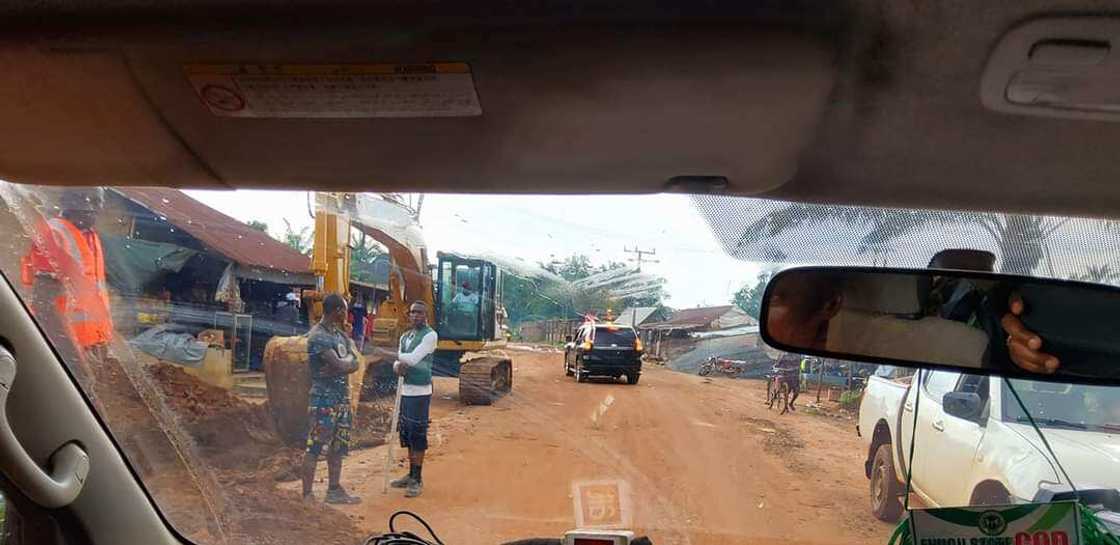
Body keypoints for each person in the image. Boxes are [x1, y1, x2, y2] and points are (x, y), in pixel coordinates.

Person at [20, 187, 114, 371]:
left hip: (89, 344)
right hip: (60, 348)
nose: (98, 208)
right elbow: (44, 305)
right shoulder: (55, 234)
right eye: (92, 201)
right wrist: (72, 358)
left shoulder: (89, 235)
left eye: (99, 202)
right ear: (72, 202)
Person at [301, 293, 362, 504]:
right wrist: (345, 364)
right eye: (345, 309)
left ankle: (334, 490)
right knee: (315, 446)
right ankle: (307, 495)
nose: (347, 313)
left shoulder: (338, 334)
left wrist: (345, 364)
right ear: (337, 311)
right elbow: (343, 365)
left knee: (338, 445)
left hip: (341, 399)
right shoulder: (318, 336)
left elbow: (355, 361)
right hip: (323, 401)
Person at [372, 301, 437, 498]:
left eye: (419, 312)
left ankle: (417, 479)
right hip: (405, 391)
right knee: (407, 435)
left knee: (417, 435)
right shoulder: (405, 336)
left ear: (425, 315)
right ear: (408, 315)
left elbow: (412, 359)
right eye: (412, 312)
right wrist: (395, 366)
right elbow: (400, 363)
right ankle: (410, 474)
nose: (415, 315)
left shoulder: (430, 335)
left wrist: (386, 353)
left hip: (420, 392)